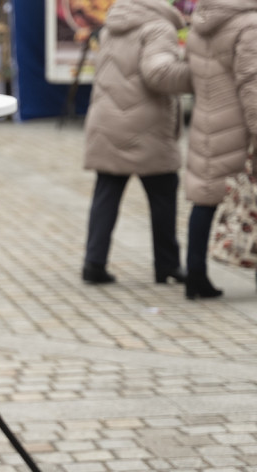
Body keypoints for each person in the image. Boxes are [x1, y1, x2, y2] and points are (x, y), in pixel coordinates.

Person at [81, 0, 191, 285]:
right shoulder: (159, 28)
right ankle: (167, 265)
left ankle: (94, 263)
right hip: (146, 126)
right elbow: (159, 74)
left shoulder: (113, 24)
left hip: (107, 120)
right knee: (163, 195)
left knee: (106, 193)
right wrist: (199, 75)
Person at [182, 0, 257, 299]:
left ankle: (195, 275)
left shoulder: (201, 22)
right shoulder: (249, 25)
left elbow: (192, 74)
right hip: (238, 126)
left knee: (205, 199)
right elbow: (252, 85)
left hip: (206, 120)